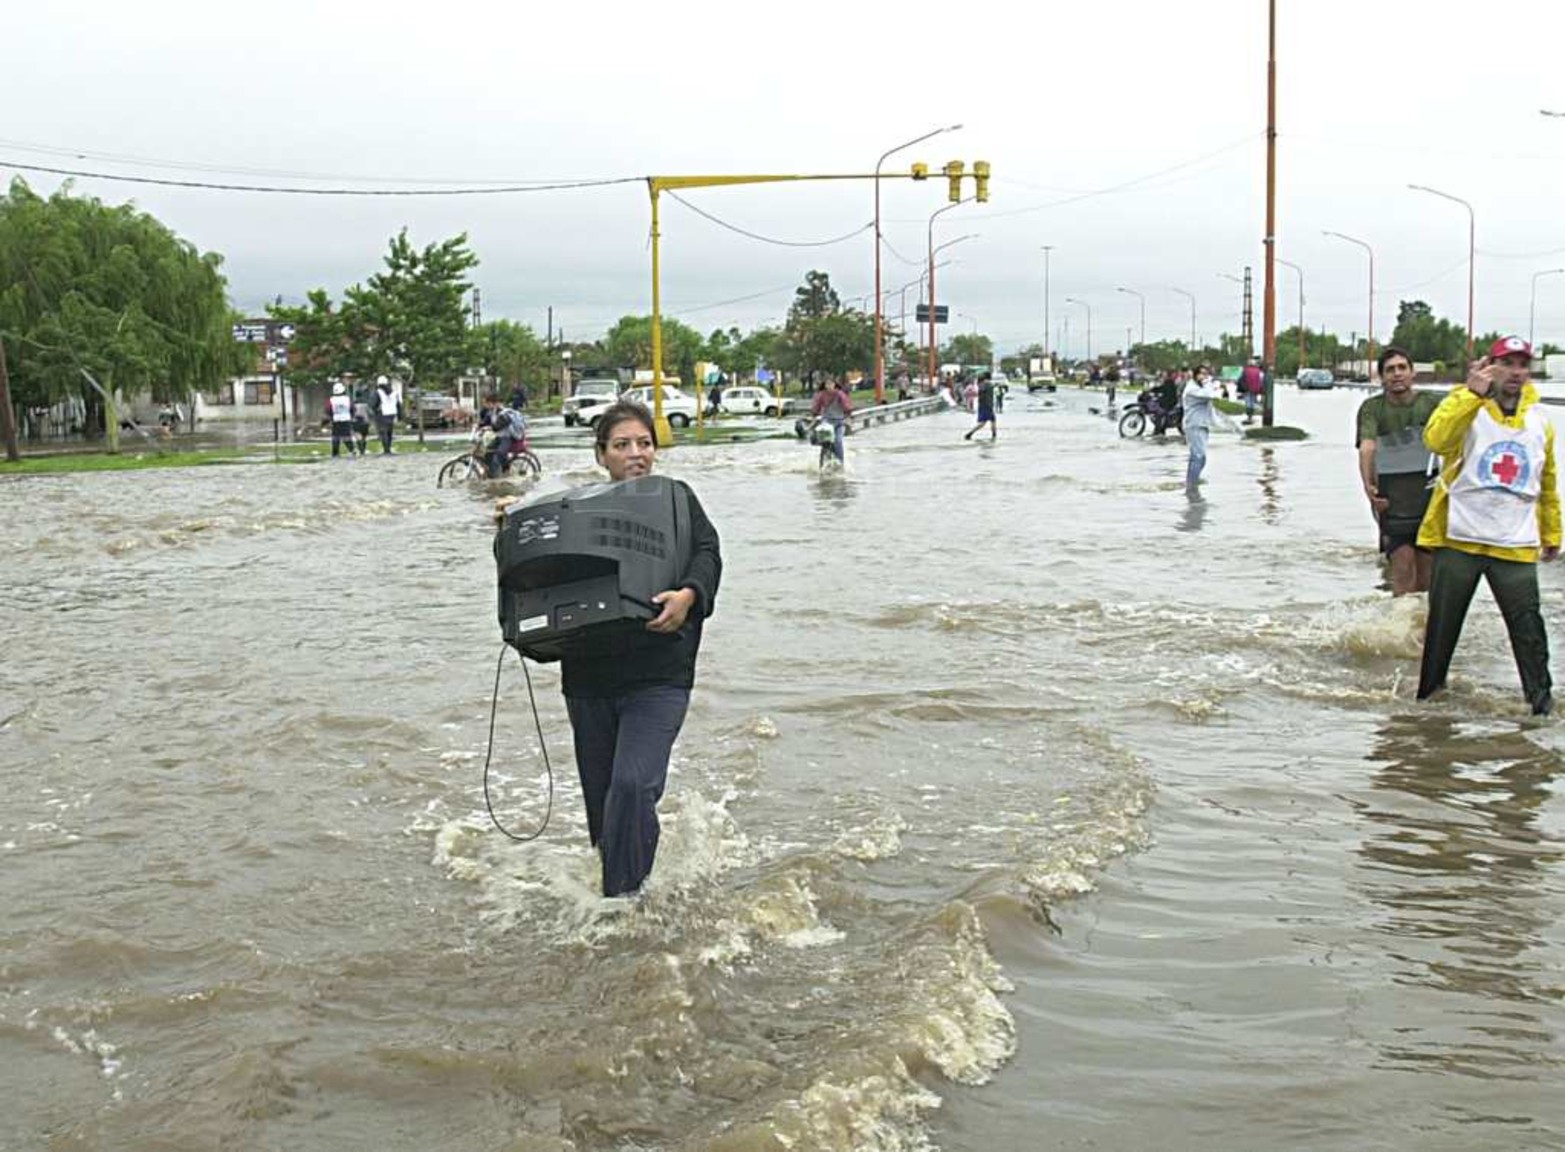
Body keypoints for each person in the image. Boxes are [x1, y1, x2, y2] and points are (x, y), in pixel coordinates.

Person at [559, 400, 722, 897]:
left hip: (660, 673)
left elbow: (708, 552)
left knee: (632, 785)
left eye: (645, 443)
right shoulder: (574, 509)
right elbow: (542, 572)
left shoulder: (676, 499)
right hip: (590, 678)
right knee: (604, 806)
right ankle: (625, 887)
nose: (636, 454)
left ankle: (623, 907)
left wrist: (690, 594)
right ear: (601, 455)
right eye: (622, 445)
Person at [1416, 336, 1560, 715]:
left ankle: (1541, 708)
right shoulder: (1466, 409)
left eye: (1522, 365)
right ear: (1489, 367)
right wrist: (1469, 395)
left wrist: (1552, 533)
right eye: (1507, 364)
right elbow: (1435, 439)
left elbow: (1546, 485)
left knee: (1529, 631)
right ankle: (1427, 706)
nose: (1515, 373)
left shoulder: (1540, 423)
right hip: (1460, 540)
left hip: (1514, 545)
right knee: (1441, 632)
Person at [1355, 346, 1440, 595]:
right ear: (1382, 377)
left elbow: (1456, 440)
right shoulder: (1372, 408)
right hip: (1391, 498)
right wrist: (1368, 486)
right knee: (1402, 570)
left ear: (1412, 373)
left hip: (1428, 495)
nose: (1397, 374)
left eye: (1402, 368)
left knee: (1426, 576)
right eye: (1390, 370)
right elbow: (1367, 448)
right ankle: (1400, 628)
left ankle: (1424, 628)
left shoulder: (1432, 404)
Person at [1182, 364, 1220, 496]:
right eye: (1201, 373)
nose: (1203, 376)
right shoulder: (1192, 389)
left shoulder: (1199, 387)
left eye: (1206, 373)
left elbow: (1215, 395)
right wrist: (1209, 381)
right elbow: (1210, 395)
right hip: (1194, 425)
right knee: (1198, 456)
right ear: (1195, 374)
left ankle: (1192, 481)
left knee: (1200, 457)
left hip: (1202, 424)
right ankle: (1191, 486)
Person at [810, 376, 853, 464]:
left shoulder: (840, 394)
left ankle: (841, 463)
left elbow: (846, 405)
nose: (829, 386)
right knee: (825, 442)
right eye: (827, 384)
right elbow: (816, 406)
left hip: (839, 422)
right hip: (827, 422)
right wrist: (814, 415)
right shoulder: (821, 395)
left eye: (831, 384)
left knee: (838, 441)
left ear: (834, 385)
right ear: (825, 385)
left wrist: (848, 415)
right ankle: (822, 464)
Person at [487, 402, 527, 478]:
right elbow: (486, 421)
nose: (486, 405)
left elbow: (500, 425)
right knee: (488, 451)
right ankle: (496, 471)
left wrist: (492, 427)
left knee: (498, 456)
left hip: (507, 438)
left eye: (487, 403)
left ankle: (494, 479)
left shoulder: (503, 413)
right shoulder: (492, 412)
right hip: (499, 437)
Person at [326, 381, 360, 458]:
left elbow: (328, 410)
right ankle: (352, 450)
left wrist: (332, 417)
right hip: (346, 419)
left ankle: (335, 453)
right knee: (347, 436)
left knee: (335, 437)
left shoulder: (331, 400)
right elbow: (353, 409)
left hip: (336, 420)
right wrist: (351, 416)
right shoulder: (347, 399)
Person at [965, 372, 998, 441]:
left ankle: (994, 435)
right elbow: (984, 395)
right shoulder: (987, 385)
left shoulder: (982, 385)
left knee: (993, 420)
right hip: (987, 405)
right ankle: (970, 433)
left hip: (985, 405)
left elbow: (980, 394)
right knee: (983, 423)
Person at [372, 374, 399, 455]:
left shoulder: (378, 392)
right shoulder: (394, 392)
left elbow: (374, 404)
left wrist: (374, 411)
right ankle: (389, 448)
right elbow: (398, 404)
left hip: (382, 413)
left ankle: (386, 449)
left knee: (383, 432)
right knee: (389, 431)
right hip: (392, 413)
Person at [1238, 356, 1264, 422]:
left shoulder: (1245, 370)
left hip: (1247, 389)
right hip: (1255, 389)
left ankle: (1249, 416)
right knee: (1252, 402)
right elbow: (1260, 380)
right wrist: (1260, 389)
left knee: (1248, 402)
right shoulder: (1258, 371)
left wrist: (1242, 388)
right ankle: (1251, 416)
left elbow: (1241, 379)